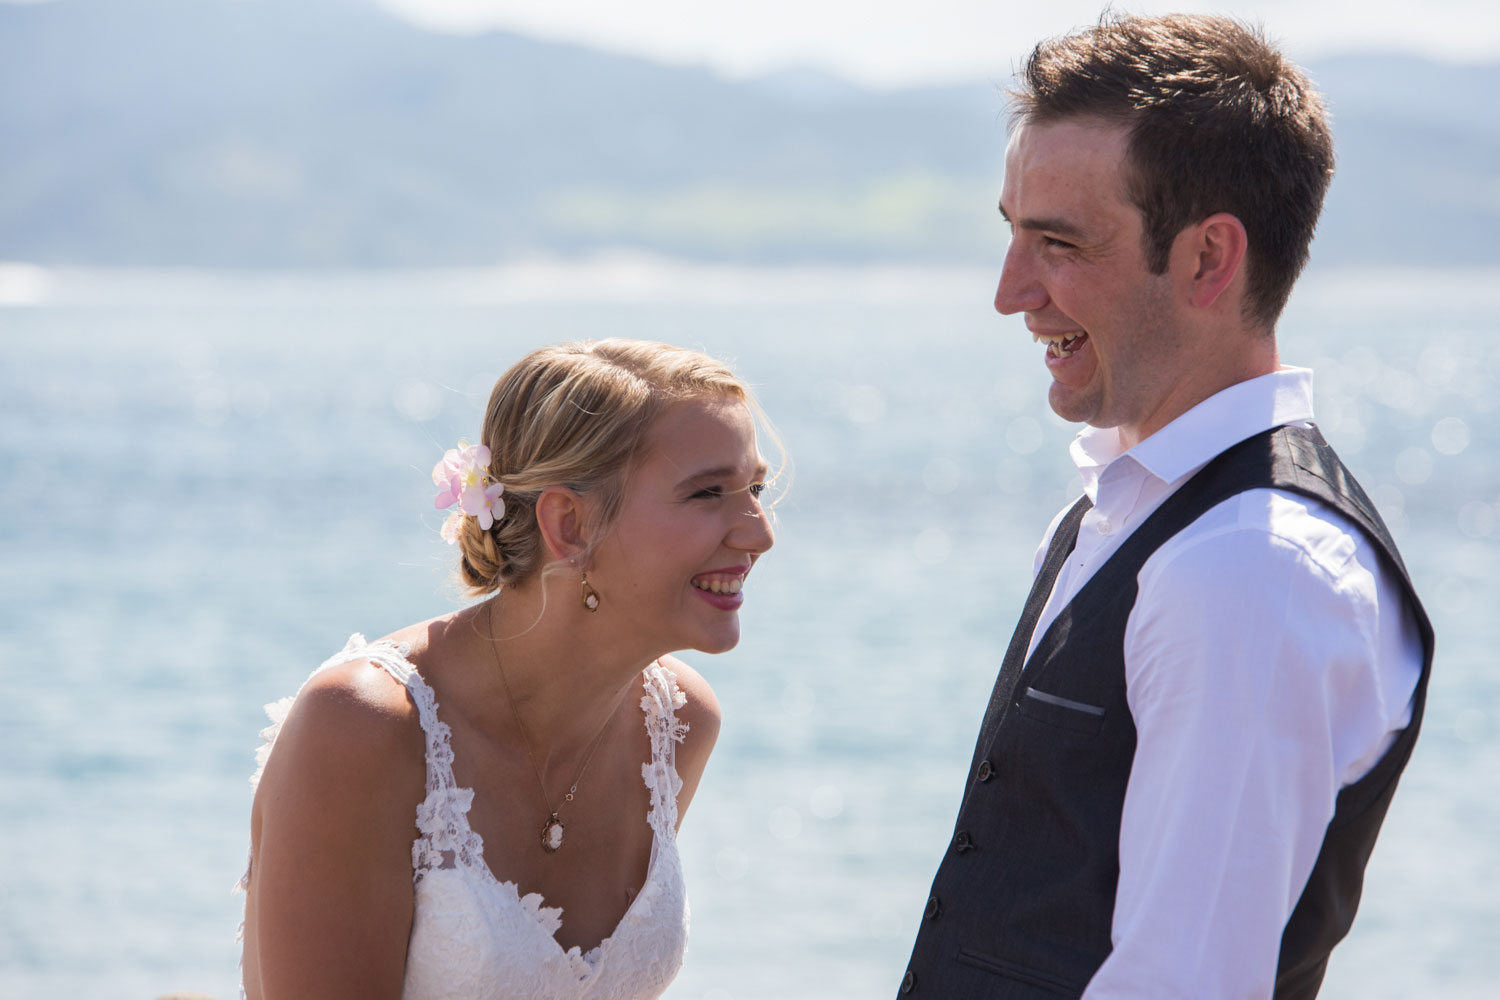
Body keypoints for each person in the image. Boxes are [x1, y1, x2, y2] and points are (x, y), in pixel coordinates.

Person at [900, 15, 1433, 1000]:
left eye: (1057, 243)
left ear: (1205, 261)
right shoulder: (1130, 510)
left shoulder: (1249, 569)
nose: (1010, 291)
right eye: (1010, 233)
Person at [236, 339, 776, 999]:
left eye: (754, 488)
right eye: (708, 494)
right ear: (570, 524)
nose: (758, 532)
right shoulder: (366, 726)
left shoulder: (677, 722)